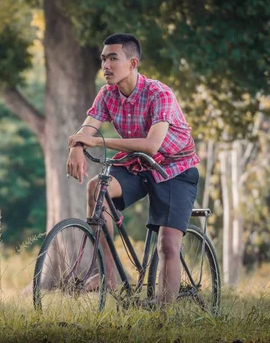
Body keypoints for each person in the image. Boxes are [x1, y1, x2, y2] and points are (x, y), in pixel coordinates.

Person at [65, 33, 199, 306]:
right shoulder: (107, 94)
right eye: (103, 59)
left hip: (174, 168)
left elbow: (152, 145)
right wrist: (76, 146)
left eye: (113, 58)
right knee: (96, 188)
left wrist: (94, 140)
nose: (106, 65)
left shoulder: (159, 94)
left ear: (133, 63)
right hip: (138, 165)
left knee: (168, 245)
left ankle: (163, 316)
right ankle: (109, 277)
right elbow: (87, 128)